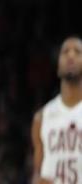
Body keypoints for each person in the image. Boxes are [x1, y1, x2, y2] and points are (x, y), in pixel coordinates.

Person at [31, 35, 82, 184]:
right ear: (58, 65)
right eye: (65, 51)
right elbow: (37, 174)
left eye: (77, 51)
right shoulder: (41, 118)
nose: (71, 55)